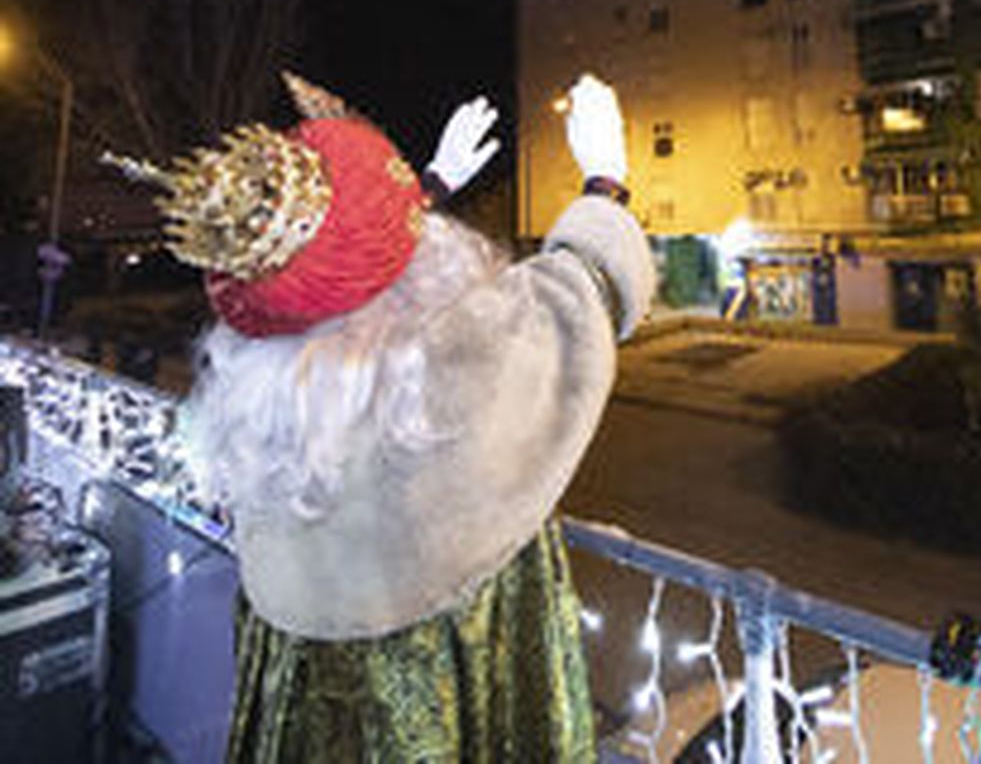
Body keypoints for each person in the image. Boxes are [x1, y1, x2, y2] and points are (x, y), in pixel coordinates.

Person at [106, 72, 652, 762]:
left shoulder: (258, 413)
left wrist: (432, 185)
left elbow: (345, 279)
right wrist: (604, 181)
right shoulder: (447, 387)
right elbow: (579, 294)